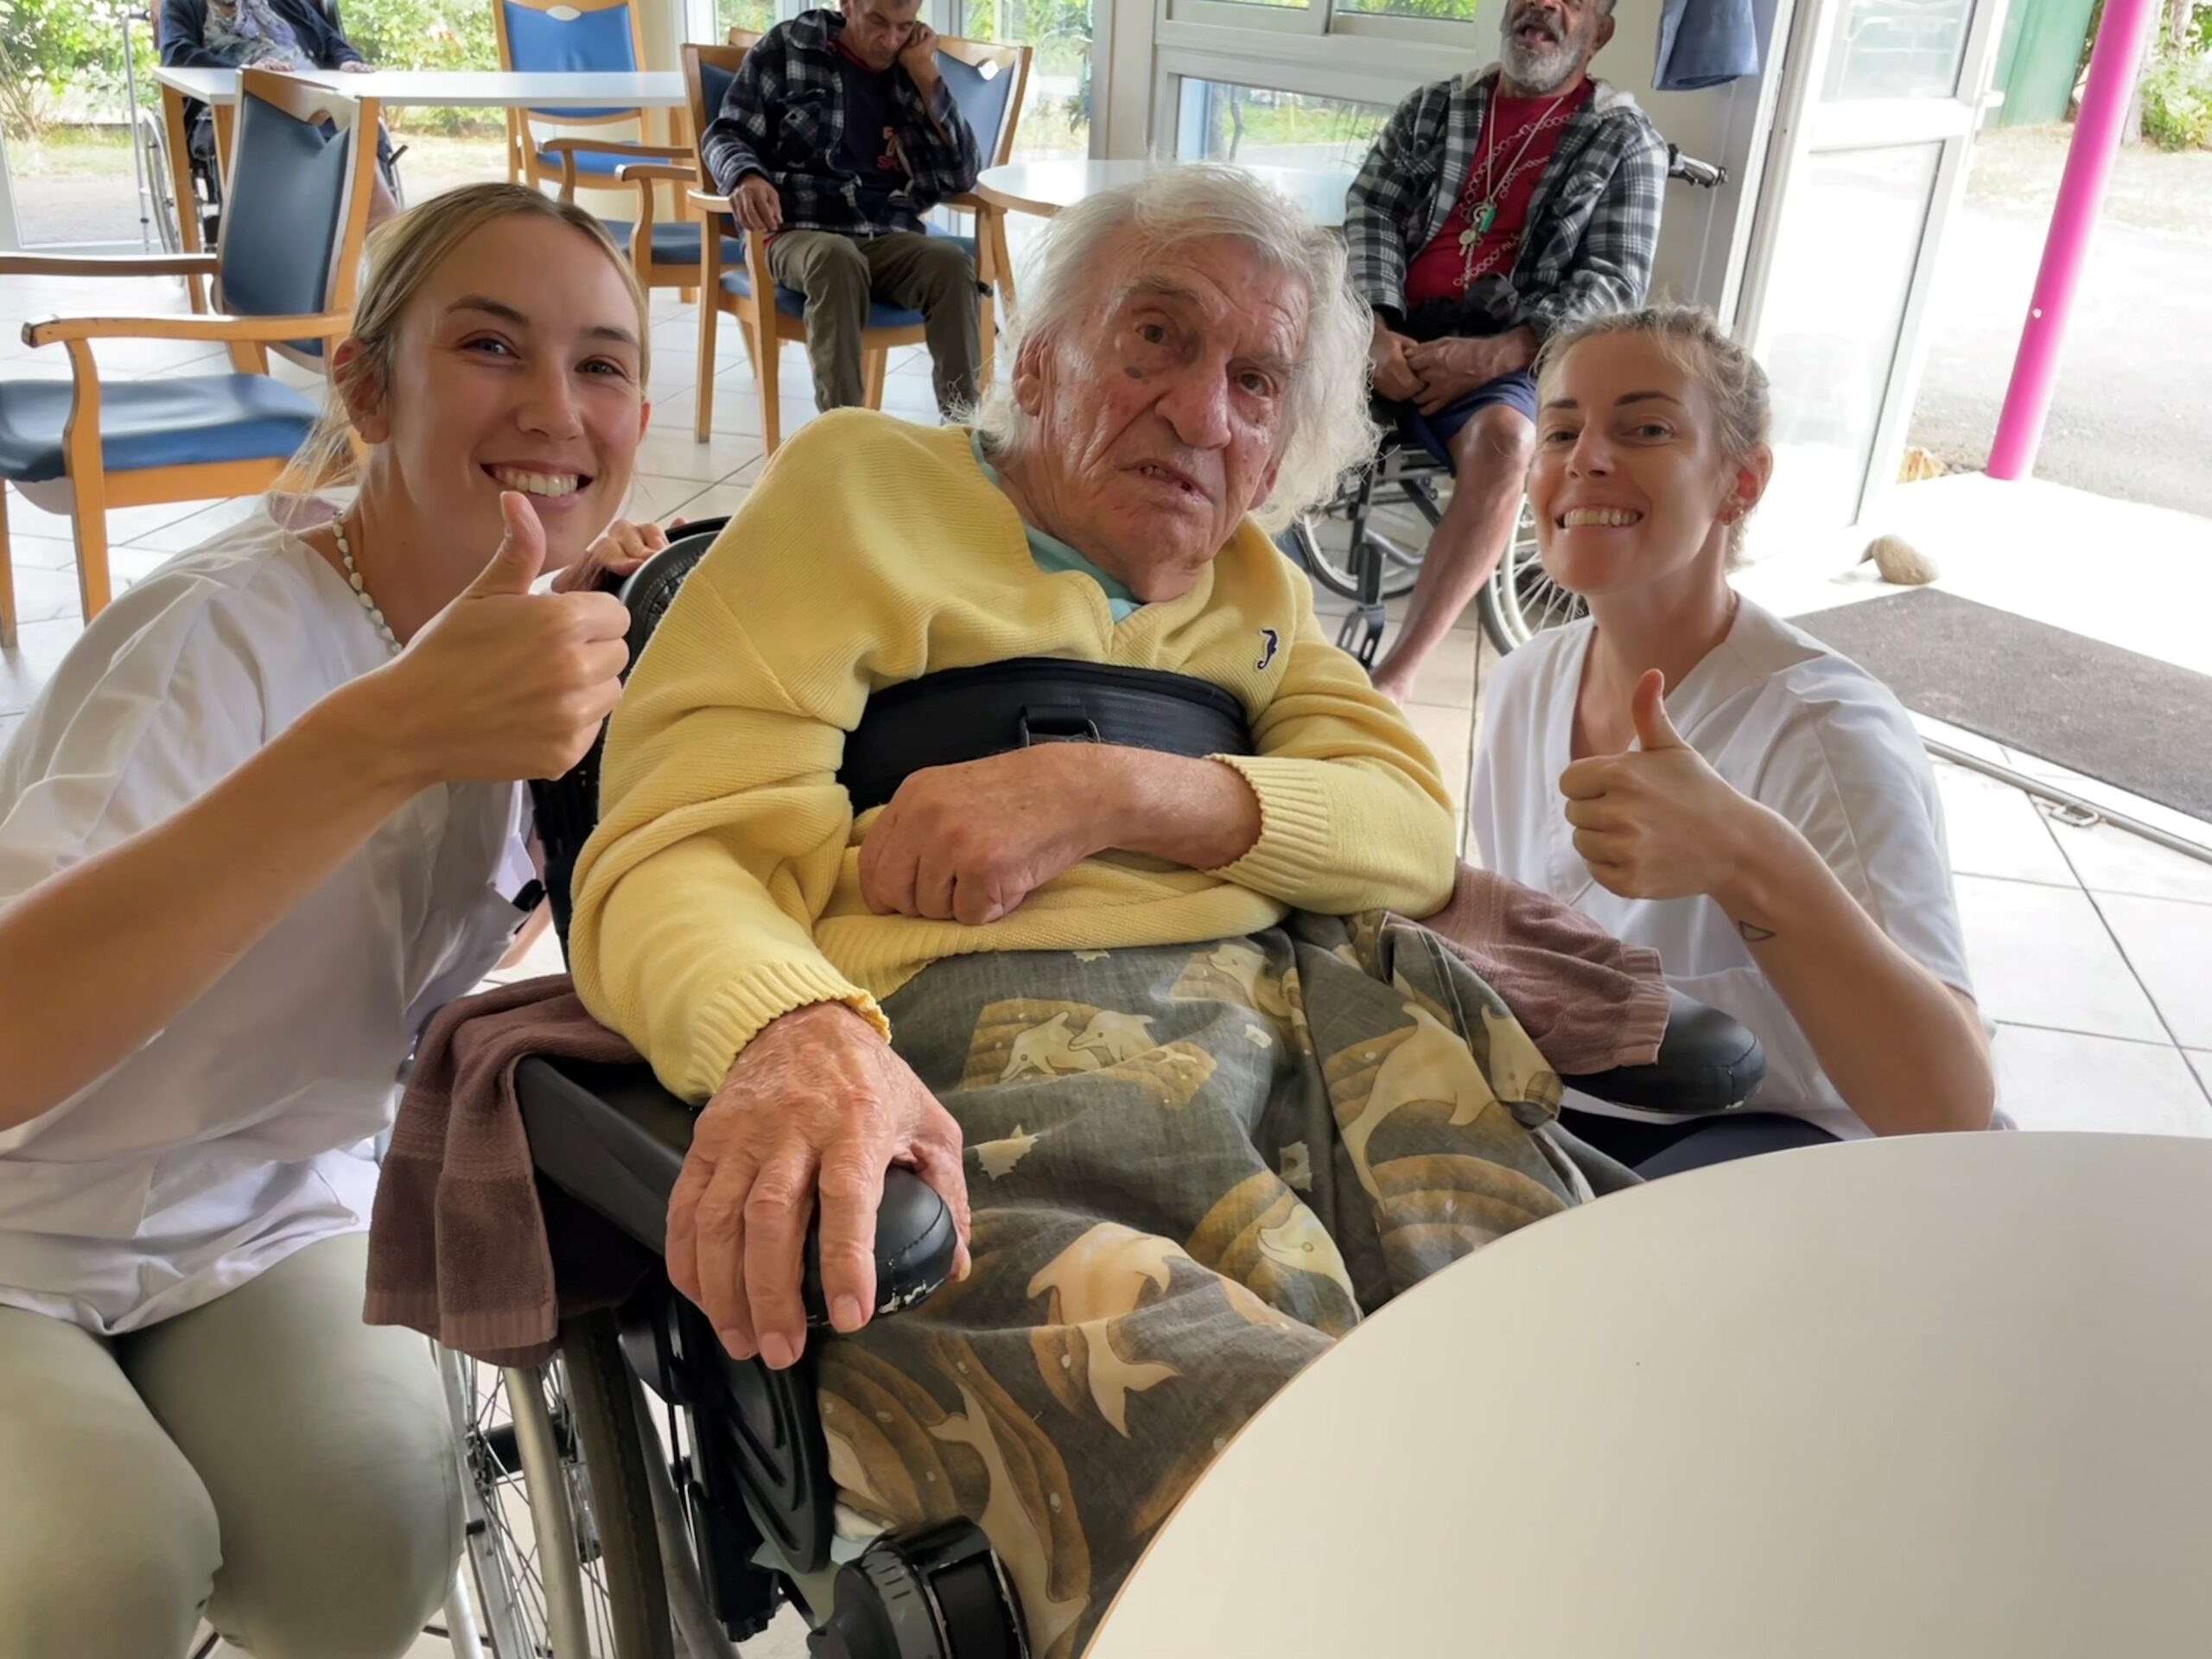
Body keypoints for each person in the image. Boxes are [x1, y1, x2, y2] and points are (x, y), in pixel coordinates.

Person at [568, 166, 1597, 1655]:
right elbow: (670, 850)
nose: (1202, 413)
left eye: (1255, 382)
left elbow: (1402, 826)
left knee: (1583, 1390)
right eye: (1156, 341)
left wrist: (1108, 795)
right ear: (1039, 362)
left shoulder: (1249, 586)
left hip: (1312, 1045)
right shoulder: (863, 491)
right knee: (1298, 1494)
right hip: (984, 1081)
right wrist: (790, 1027)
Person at [0, 183, 669, 1659]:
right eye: (490, 347)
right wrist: (386, 736)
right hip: (15, 1209)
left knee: (375, 1524)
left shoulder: (540, 651)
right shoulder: (216, 640)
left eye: (604, 364)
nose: (557, 408)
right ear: (368, 388)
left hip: (248, 1202)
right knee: (103, 1563)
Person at [1471, 306, 1995, 1175]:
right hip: (1581, 1107)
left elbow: (1947, 1111)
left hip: (1793, 1140)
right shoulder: (1527, 685)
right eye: (1560, 431)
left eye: (1644, 429)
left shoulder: (1822, 731)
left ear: (1739, 485)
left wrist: (1748, 859)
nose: (1586, 459)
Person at [1344, 0, 1664, 704]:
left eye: (1573, 1)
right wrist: (1374, 324)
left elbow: (1612, 287)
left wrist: (1495, 355)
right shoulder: (1435, 108)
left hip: (1509, 348)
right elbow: (1369, 209)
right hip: (1387, 324)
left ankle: (1395, 678)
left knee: (1508, 441)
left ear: (1598, 33)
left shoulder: (1624, 142)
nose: (1545, 6)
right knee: (1266, 381)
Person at [702, 0, 985, 417]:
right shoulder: (789, 46)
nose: (890, 40)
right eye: (877, 22)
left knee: (951, 264)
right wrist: (745, 176)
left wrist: (927, 77)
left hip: (884, 231)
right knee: (836, 259)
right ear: (847, 5)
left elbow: (961, 175)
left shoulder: (910, 66)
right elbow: (726, 133)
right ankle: (847, 442)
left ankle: (966, 439)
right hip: (795, 229)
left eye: (904, 27)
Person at [159, 0, 401, 224]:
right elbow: (176, 54)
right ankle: (376, 246)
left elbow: (329, 39)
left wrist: (345, 61)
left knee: (354, 138)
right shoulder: (182, 4)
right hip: (246, 111)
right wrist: (247, 72)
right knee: (347, 150)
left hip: (316, 102)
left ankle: (382, 247)